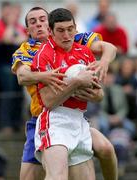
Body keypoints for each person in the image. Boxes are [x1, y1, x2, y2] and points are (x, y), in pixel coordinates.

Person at [12, 7, 118, 180]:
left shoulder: (73, 39)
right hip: (44, 117)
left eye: (42, 19)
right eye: (33, 22)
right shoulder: (28, 51)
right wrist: (47, 75)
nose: (39, 24)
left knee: (106, 148)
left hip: (76, 116)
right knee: (30, 177)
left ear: (49, 24)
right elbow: (22, 76)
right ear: (27, 30)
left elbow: (109, 48)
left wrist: (104, 62)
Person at [32, 8, 104, 180]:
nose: (67, 35)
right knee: (57, 177)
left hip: (79, 120)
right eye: (61, 30)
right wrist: (76, 83)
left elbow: (99, 95)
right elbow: (49, 102)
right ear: (50, 31)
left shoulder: (85, 52)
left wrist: (87, 93)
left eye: (70, 29)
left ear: (75, 27)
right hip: (55, 121)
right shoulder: (43, 55)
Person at [0, 1, 27, 135]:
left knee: (18, 94)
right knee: (8, 93)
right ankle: (5, 124)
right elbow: (6, 39)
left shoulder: (18, 26)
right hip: (2, 66)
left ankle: (16, 122)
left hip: (14, 66)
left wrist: (15, 33)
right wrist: (11, 25)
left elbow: (25, 40)